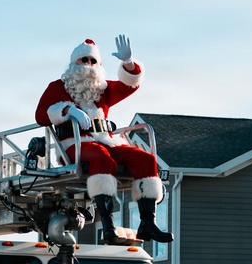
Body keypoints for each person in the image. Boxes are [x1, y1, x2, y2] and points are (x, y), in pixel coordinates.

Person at [35, 36, 172, 244]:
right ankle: (108, 227)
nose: (88, 66)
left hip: (105, 140)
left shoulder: (102, 89)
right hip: (74, 146)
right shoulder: (58, 87)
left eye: (93, 61)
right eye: (84, 60)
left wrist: (128, 63)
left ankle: (147, 224)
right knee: (102, 157)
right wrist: (68, 110)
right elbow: (40, 115)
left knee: (146, 159)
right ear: (74, 63)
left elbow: (129, 86)